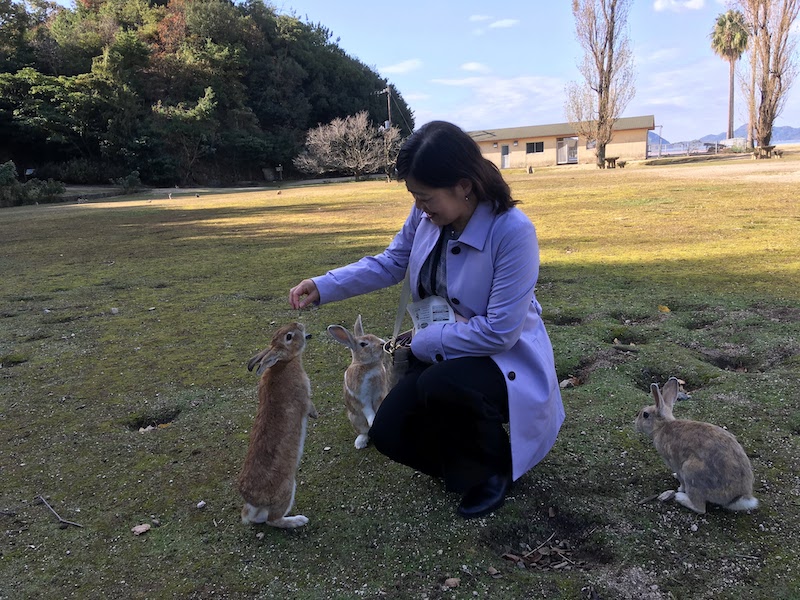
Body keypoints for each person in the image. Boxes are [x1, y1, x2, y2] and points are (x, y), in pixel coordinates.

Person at [289, 121, 564, 518]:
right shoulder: (427, 216)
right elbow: (392, 262)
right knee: (388, 433)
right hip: (442, 349)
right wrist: (324, 285)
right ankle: (461, 463)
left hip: (505, 360)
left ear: (463, 185)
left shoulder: (512, 232)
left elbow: (500, 332)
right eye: (415, 197)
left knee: (441, 383)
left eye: (425, 197)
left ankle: (494, 472)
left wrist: (424, 342)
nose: (420, 207)